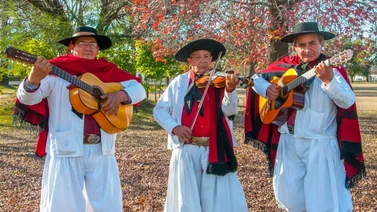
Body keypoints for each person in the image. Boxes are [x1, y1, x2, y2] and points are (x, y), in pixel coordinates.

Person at [15, 26, 146, 212]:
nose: (88, 47)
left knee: (108, 205)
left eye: (92, 44)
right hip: (65, 149)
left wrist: (120, 96)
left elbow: (139, 90)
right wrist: (33, 80)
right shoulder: (54, 71)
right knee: (62, 206)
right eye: (82, 43)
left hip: (102, 150)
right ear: (71, 46)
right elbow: (28, 98)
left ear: (98, 49)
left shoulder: (108, 71)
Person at [244, 22, 365, 212]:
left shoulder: (331, 69)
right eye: (302, 45)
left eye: (312, 43)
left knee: (322, 200)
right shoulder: (285, 67)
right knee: (290, 196)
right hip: (288, 142)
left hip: (319, 143)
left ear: (321, 44)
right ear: (295, 47)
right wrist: (267, 89)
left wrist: (329, 81)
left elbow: (348, 101)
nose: (307, 49)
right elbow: (256, 79)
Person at [153, 39, 248, 212]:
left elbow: (230, 111)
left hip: (215, 148)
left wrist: (230, 90)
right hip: (186, 148)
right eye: (198, 57)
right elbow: (159, 110)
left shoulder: (220, 82)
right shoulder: (179, 82)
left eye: (206, 56)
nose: (203, 60)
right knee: (186, 200)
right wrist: (175, 127)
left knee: (217, 201)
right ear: (190, 61)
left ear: (212, 59)